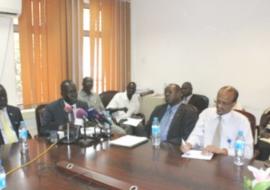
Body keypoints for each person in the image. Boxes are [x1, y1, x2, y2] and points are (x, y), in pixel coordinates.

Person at [181, 86, 254, 159]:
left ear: (233, 104)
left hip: (227, 163)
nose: (219, 106)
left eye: (224, 103)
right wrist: (189, 144)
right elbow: (196, 135)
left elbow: (248, 152)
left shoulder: (242, 121)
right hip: (203, 159)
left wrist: (223, 151)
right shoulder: (206, 114)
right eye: (218, 101)